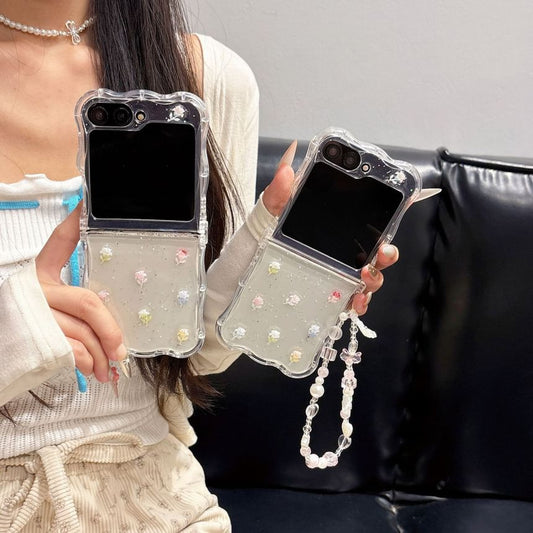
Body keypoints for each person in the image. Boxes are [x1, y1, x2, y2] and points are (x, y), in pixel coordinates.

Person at [0, 1, 399, 530]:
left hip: (156, 497)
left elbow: (196, 355)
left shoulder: (208, 78)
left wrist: (270, 265)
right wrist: (17, 330)